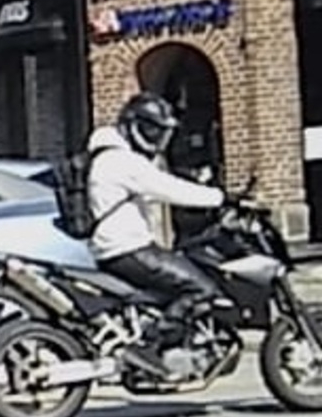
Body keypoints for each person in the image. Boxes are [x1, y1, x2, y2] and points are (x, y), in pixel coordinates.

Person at [80, 92, 229, 375]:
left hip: (119, 248)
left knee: (174, 282)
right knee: (201, 289)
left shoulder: (106, 155)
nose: (157, 139)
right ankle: (150, 348)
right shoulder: (120, 160)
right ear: (133, 125)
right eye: (152, 130)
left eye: (161, 132)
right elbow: (167, 188)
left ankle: (174, 343)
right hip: (129, 249)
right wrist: (220, 198)